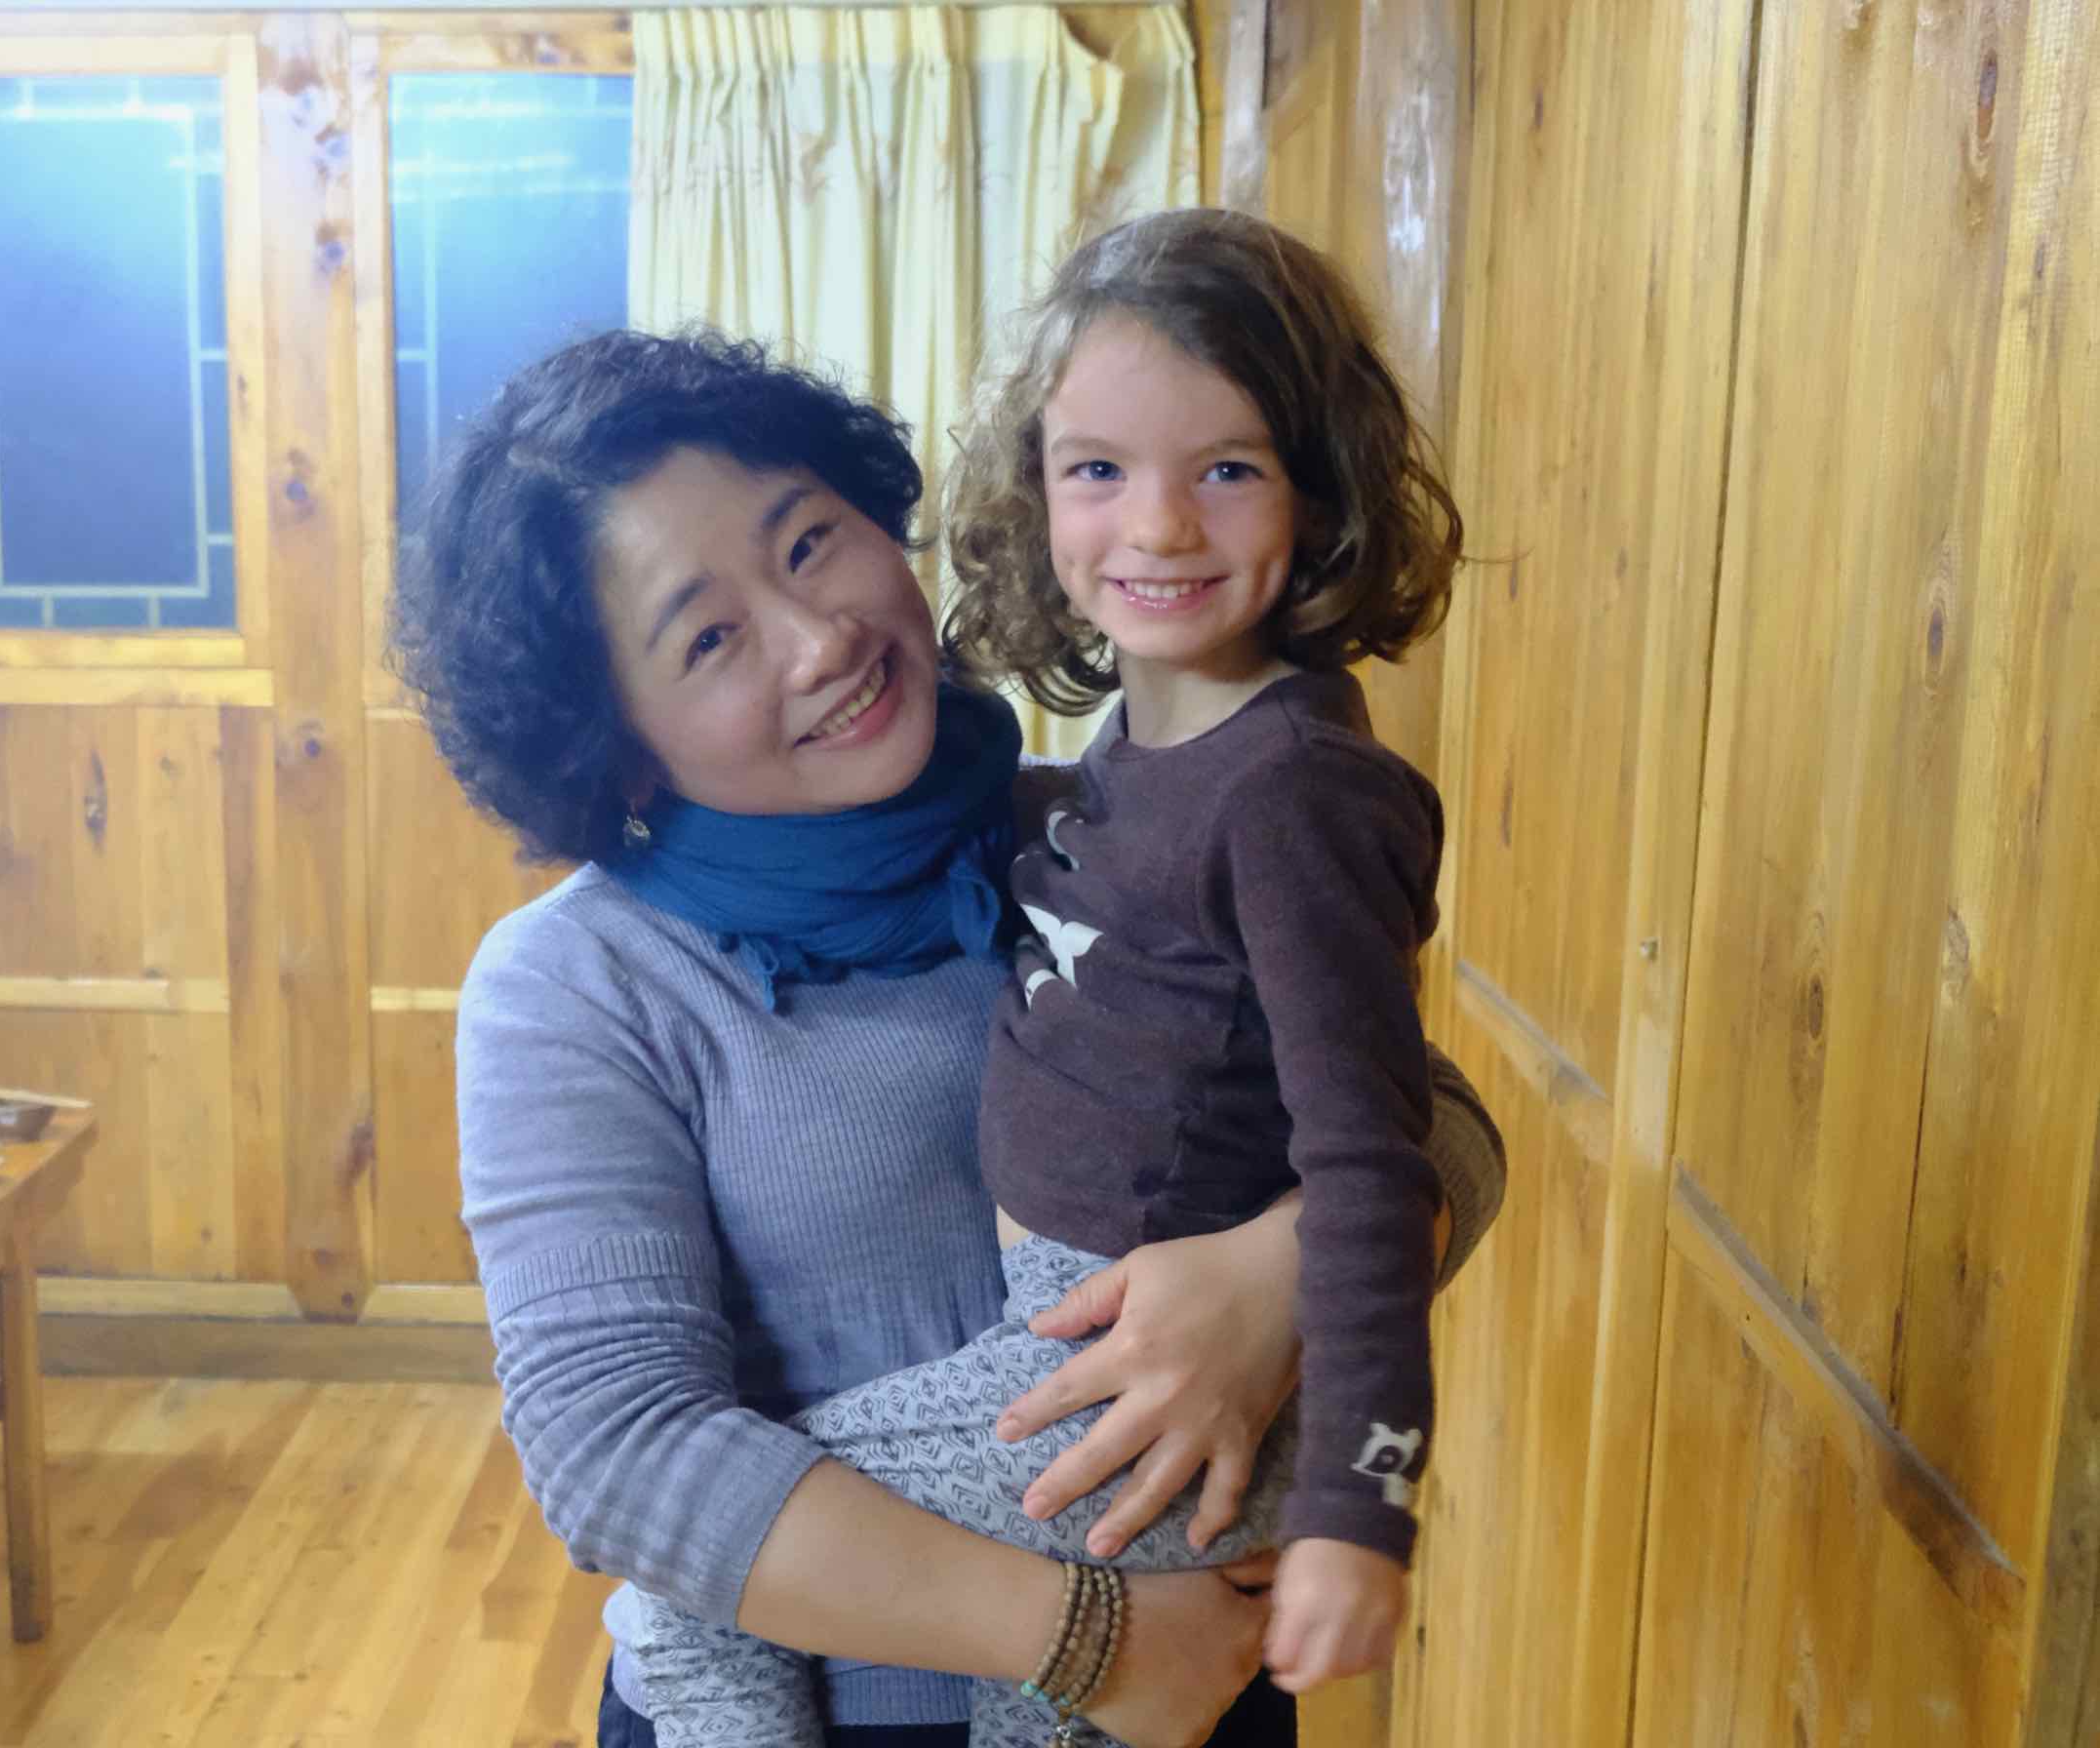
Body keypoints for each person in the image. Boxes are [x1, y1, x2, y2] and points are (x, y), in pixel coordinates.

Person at [390, 306, 1502, 1748]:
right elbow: (615, 1451)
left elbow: (1436, 1121)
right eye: (711, 637)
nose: (820, 639)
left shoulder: (1103, 830)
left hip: (1192, 1675)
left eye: (809, 543)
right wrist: (1089, 1643)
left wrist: (1266, 1281)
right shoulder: (580, 980)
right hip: (865, 1709)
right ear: (619, 746)